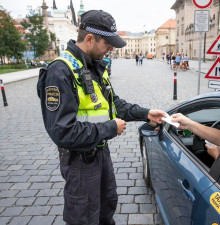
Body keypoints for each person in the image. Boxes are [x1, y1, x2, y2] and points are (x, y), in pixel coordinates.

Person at [37, 10, 166, 225]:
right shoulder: (60, 72)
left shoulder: (94, 65)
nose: (111, 49)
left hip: (99, 151)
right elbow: (63, 131)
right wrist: (109, 128)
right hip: (79, 161)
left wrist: (145, 113)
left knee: (107, 206)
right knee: (85, 217)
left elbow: (113, 104)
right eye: (107, 43)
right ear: (89, 39)